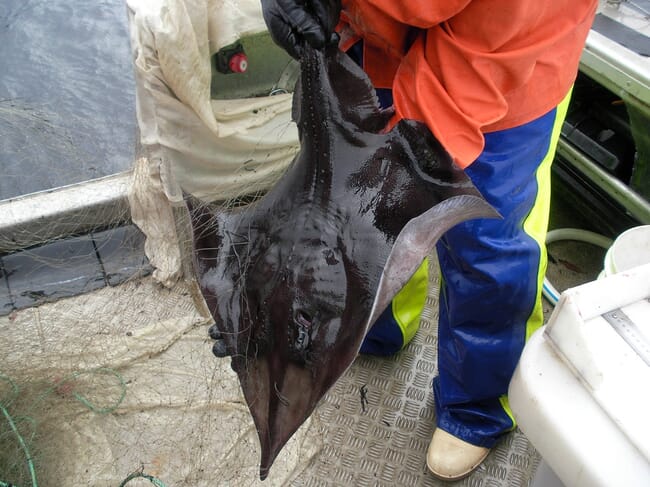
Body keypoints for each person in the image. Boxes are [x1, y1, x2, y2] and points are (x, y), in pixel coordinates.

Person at [261, 0, 598, 481]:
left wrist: (400, 170)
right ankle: (378, 324)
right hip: (372, 41)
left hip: (507, 59)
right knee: (359, 197)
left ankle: (478, 405)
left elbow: (491, 44)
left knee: (484, 242)